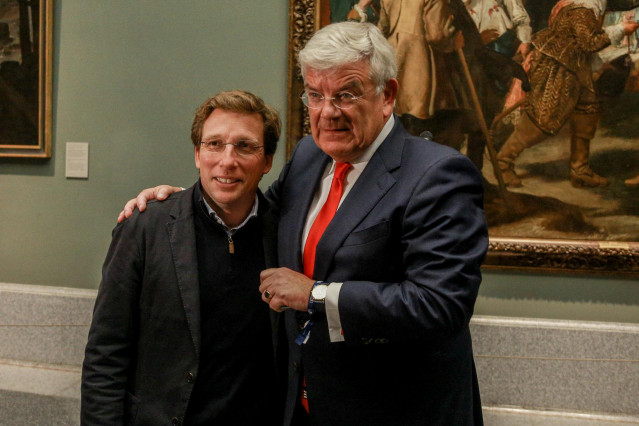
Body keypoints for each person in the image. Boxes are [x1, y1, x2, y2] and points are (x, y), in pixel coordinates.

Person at [120, 22, 488, 425]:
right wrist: (181, 201)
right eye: (315, 95)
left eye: (345, 95)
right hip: (306, 407)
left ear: (387, 95)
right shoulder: (310, 156)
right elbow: (255, 214)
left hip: (398, 410)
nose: (328, 112)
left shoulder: (438, 174)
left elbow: (441, 305)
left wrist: (316, 295)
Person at [82, 90, 285, 425]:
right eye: (214, 144)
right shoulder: (145, 227)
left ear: (267, 161)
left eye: (245, 146)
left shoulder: (285, 234)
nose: (227, 160)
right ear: (197, 154)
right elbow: (106, 354)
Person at [496, 0, 639, 188]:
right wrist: (621, 28)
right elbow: (590, 42)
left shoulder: (590, 7)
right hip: (557, 66)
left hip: (577, 66)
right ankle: (503, 163)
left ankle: (580, 170)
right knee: (543, 118)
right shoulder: (581, 9)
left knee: (587, 112)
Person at [464, 0, 532, 59]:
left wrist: (524, 41)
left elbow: (519, 15)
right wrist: (478, 40)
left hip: (512, 44)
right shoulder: (456, 6)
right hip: (482, 56)